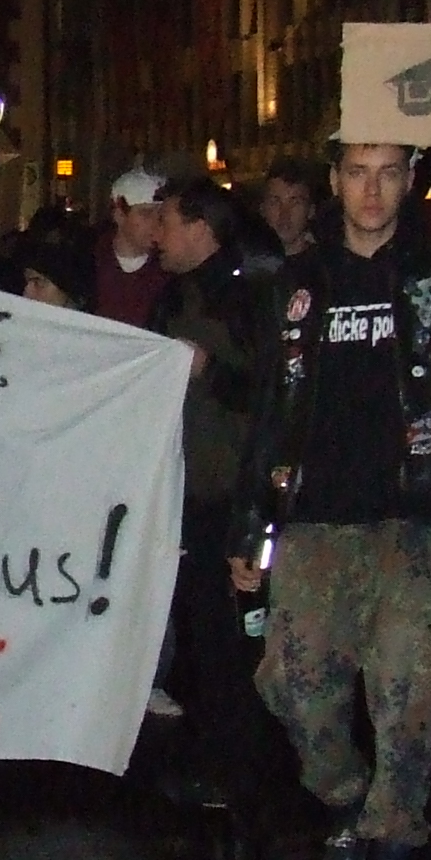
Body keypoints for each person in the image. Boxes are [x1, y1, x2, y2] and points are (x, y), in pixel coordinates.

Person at [229, 141, 431, 860]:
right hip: (314, 523)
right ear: (335, 181)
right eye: (358, 172)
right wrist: (250, 524)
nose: (372, 189)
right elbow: (269, 408)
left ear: (410, 180)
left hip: (413, 521)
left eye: (389, 172)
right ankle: (345, 800)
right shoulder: (296, 282)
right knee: (297, 686)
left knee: (409, 699)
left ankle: (392, 859)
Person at [149, 177, 274, 803]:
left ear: (202, 228)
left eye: (167, 221)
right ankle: (215, 755)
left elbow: (273, 393)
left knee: (227, 634)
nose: (157, 233)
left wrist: (210, 371)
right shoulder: (173, 296)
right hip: (187, 489)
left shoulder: (247, 298)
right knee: (201, 629)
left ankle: (236, 766)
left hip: (230, 496)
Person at [92, 165, 171, 327]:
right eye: (146, 214)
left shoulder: (170, 269)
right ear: (119, 215)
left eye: (161, 214)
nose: (156, 222)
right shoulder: (88, 263)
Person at [257, 157, 323, 259]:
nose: (285, 214)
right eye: (275, 202)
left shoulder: (328, 264)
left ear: (311, 210)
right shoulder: (246, 263)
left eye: (295, 203)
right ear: (262, 209)